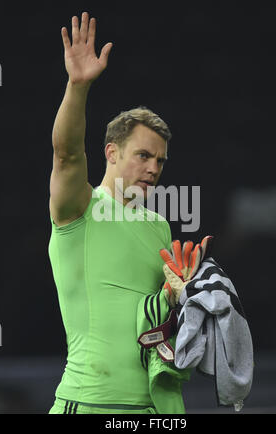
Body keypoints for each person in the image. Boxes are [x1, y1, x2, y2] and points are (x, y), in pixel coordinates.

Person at [48, 11, 189, 415]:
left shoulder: (159, 226)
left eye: (160, 161)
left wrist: (182, 298)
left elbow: (154, 320)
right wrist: (78, 86)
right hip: (90, 401)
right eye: (143, 155)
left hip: (155, 409)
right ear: (112, 153)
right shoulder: (79, 208)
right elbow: (66, 154)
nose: (153, 168)